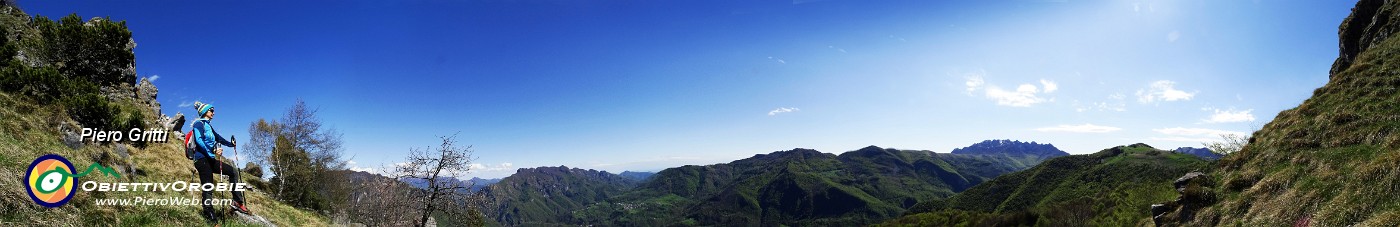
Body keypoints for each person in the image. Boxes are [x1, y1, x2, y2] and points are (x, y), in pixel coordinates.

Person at [191, 101, 250, 221]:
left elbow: (218, 138)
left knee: (233, 172)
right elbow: (198, 140)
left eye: (213, 110)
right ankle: (210, 215)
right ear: (204, 112)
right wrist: (212, 150)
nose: (213, 112)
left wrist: (230, 144)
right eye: (211, 110)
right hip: (201, 159)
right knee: (208, 186)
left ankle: (237, 202)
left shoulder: (209, 126)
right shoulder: (198, 124)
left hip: (210, 159)